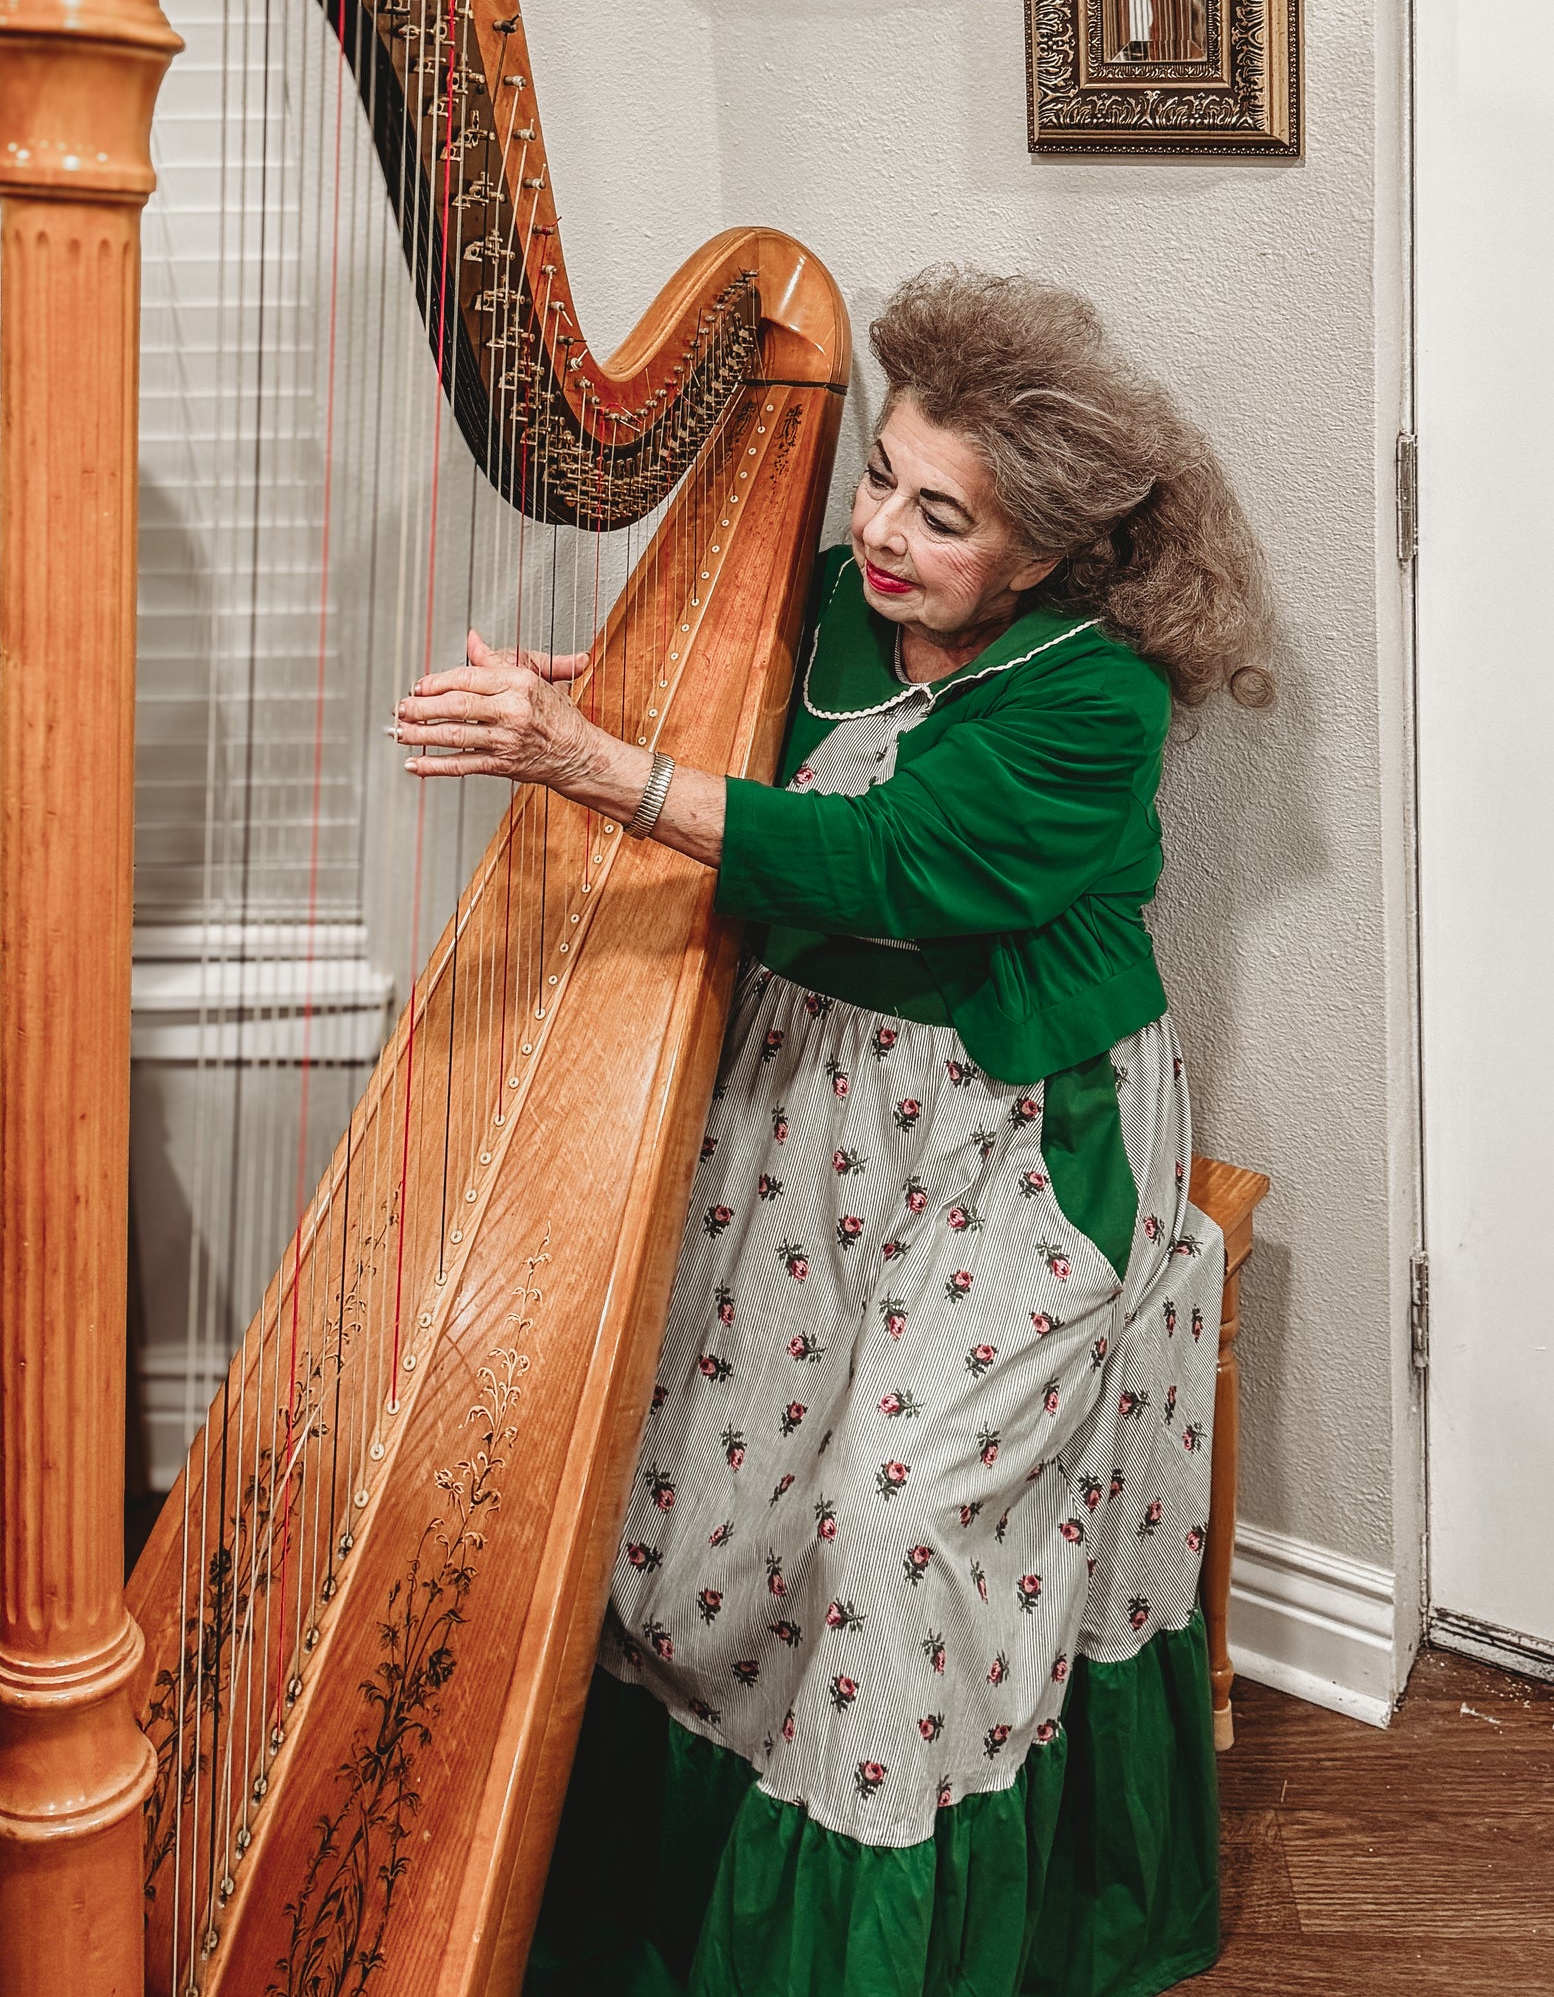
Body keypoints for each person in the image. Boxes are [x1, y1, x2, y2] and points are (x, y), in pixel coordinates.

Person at [392, 266, 1274, 1997]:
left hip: (1013, 1137)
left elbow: (881, 864)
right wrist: (618, 699)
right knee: (685, 1521)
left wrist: (587, 765)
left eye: (939, 519)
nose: (878, 529)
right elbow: (755, 752)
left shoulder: (1095, 699)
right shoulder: (830, 603)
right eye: (879, 477)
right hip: (801, 1100)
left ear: (1042, 555)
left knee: (883, 1523)